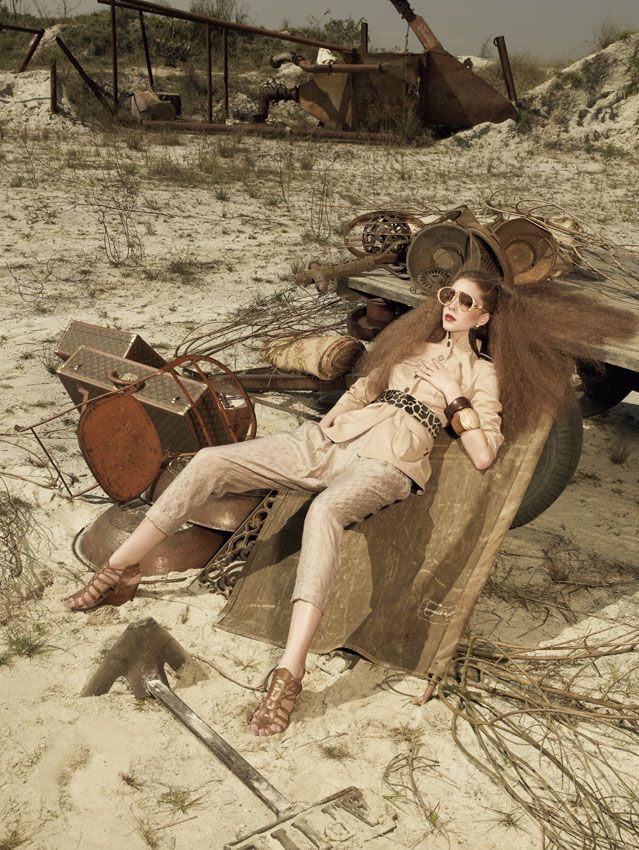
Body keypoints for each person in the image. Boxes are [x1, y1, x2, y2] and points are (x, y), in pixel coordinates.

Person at [63, 266, 637, 737]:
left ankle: (288, 673)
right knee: (211, 462)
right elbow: (361, 390)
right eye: (448, 295)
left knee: (325, 513)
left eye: (466, 301)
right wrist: (330, 424)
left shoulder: (480, 373)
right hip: (330, 444)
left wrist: (450, 394)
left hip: (388, 464)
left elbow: (484, 454)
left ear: (483, 317)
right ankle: (121, 571)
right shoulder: (410, 347)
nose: (451, 306)